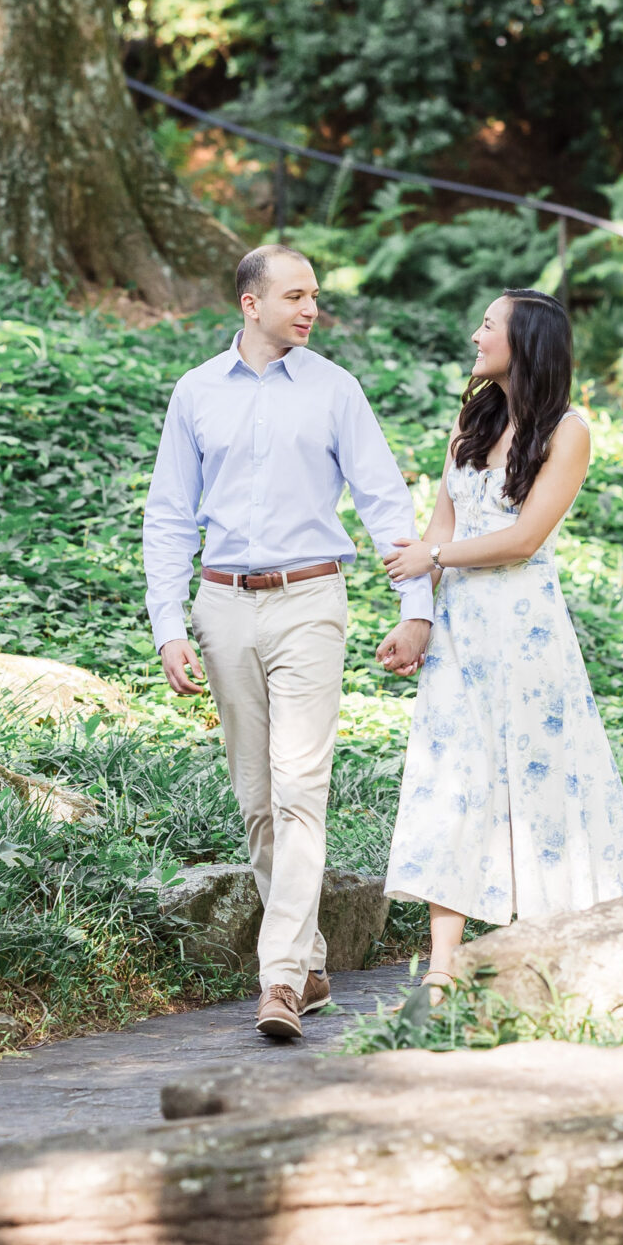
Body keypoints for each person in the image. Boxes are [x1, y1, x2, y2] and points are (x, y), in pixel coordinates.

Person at [144, 244, 434, 1043]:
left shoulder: (335, 389)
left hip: (311, 599)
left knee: (301, 788)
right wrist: (169, 623)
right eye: (296, 296)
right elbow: (170, 513)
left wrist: (416, 606)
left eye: (316, 296)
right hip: (225, 604)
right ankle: (305, 964)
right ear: (250, 303)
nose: (311, 309)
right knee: (258, 800)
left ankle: (275, 982)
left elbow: (383, 499)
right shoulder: (196, 392)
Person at [379, 288, 623, 998]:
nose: (475, 335)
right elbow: (440, 526)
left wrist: (435, 561)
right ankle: (441, 969)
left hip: (527, 635)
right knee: (454, 783)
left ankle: (552, 953)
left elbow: (526, 539)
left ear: (524, 342)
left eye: (489, 326)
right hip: (461, 636)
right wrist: (418, 618)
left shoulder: (569, 431)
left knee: (536, 781)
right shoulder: (472, 423)